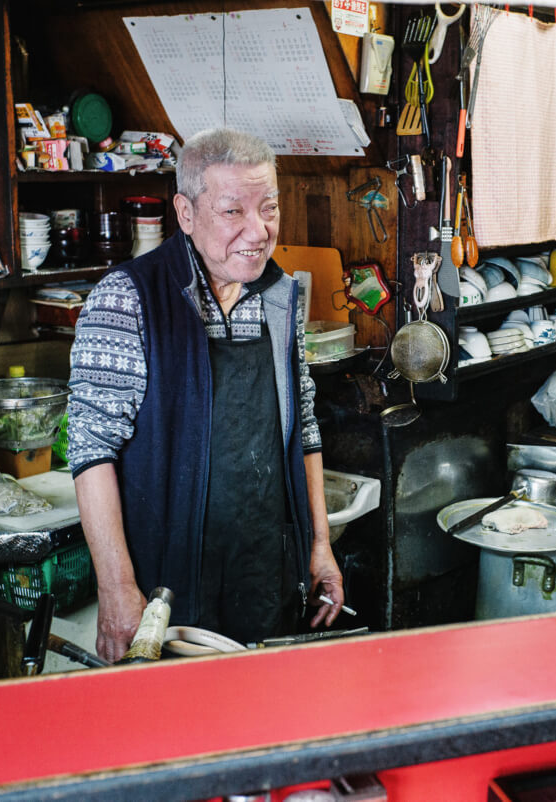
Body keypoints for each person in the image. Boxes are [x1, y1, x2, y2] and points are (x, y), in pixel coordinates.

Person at [67, 128, 344, 660]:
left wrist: (319, 547)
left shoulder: (281, 298)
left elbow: (304, 429)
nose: (257, 231)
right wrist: (116, 588)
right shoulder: (126, 298)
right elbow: (91, 450)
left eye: (268, 208)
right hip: (165, 587)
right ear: (186, 213)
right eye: (232, 211)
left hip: (263, 566)